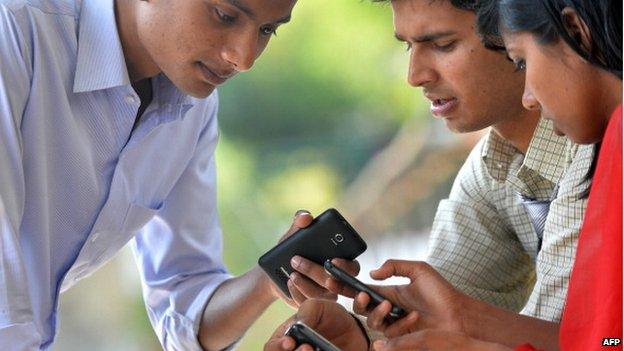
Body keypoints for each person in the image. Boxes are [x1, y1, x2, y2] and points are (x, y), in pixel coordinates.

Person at [0, 0, 360, 350]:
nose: (244, 58)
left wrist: (271, 279)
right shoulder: (13, 32)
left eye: (267, 29)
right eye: (225, 15)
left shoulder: (192, 106)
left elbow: (183, 311)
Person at [265, 0, 621, 350]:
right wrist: (360, 337)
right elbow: (445, 308)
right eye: (407, 46)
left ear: (510, 23)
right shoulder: (493, 166)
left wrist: (465, 325)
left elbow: (596, 343)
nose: (414, 76)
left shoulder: (602, 144)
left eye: (441, 44)